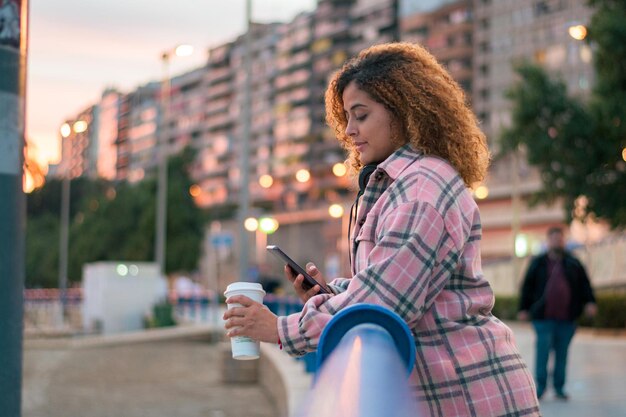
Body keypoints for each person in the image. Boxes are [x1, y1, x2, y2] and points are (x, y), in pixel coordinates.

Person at [224, 42, 540, 416]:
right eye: (346, 118)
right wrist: (332, 294)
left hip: (471, 395)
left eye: (361, 115)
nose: (350, 130)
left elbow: (384, 303)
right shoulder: (399, 184)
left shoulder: (423, 189)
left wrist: (280, 329)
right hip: (448, 394)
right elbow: (390, 282)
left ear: (404, 112)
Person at [518, 226, 597, 401]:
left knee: (562, 355)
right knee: (542, 353)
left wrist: (590, 302)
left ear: (564, 240)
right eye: (554, 238)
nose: (557, 241)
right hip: (543, 319)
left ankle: (559, 388)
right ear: (548, 241)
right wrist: (523, 308)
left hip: (567, 319)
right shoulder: (538, 263)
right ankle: (540, 387)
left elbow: (585, 284)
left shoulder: (573, 262)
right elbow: (527, 286)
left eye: (560, 238)